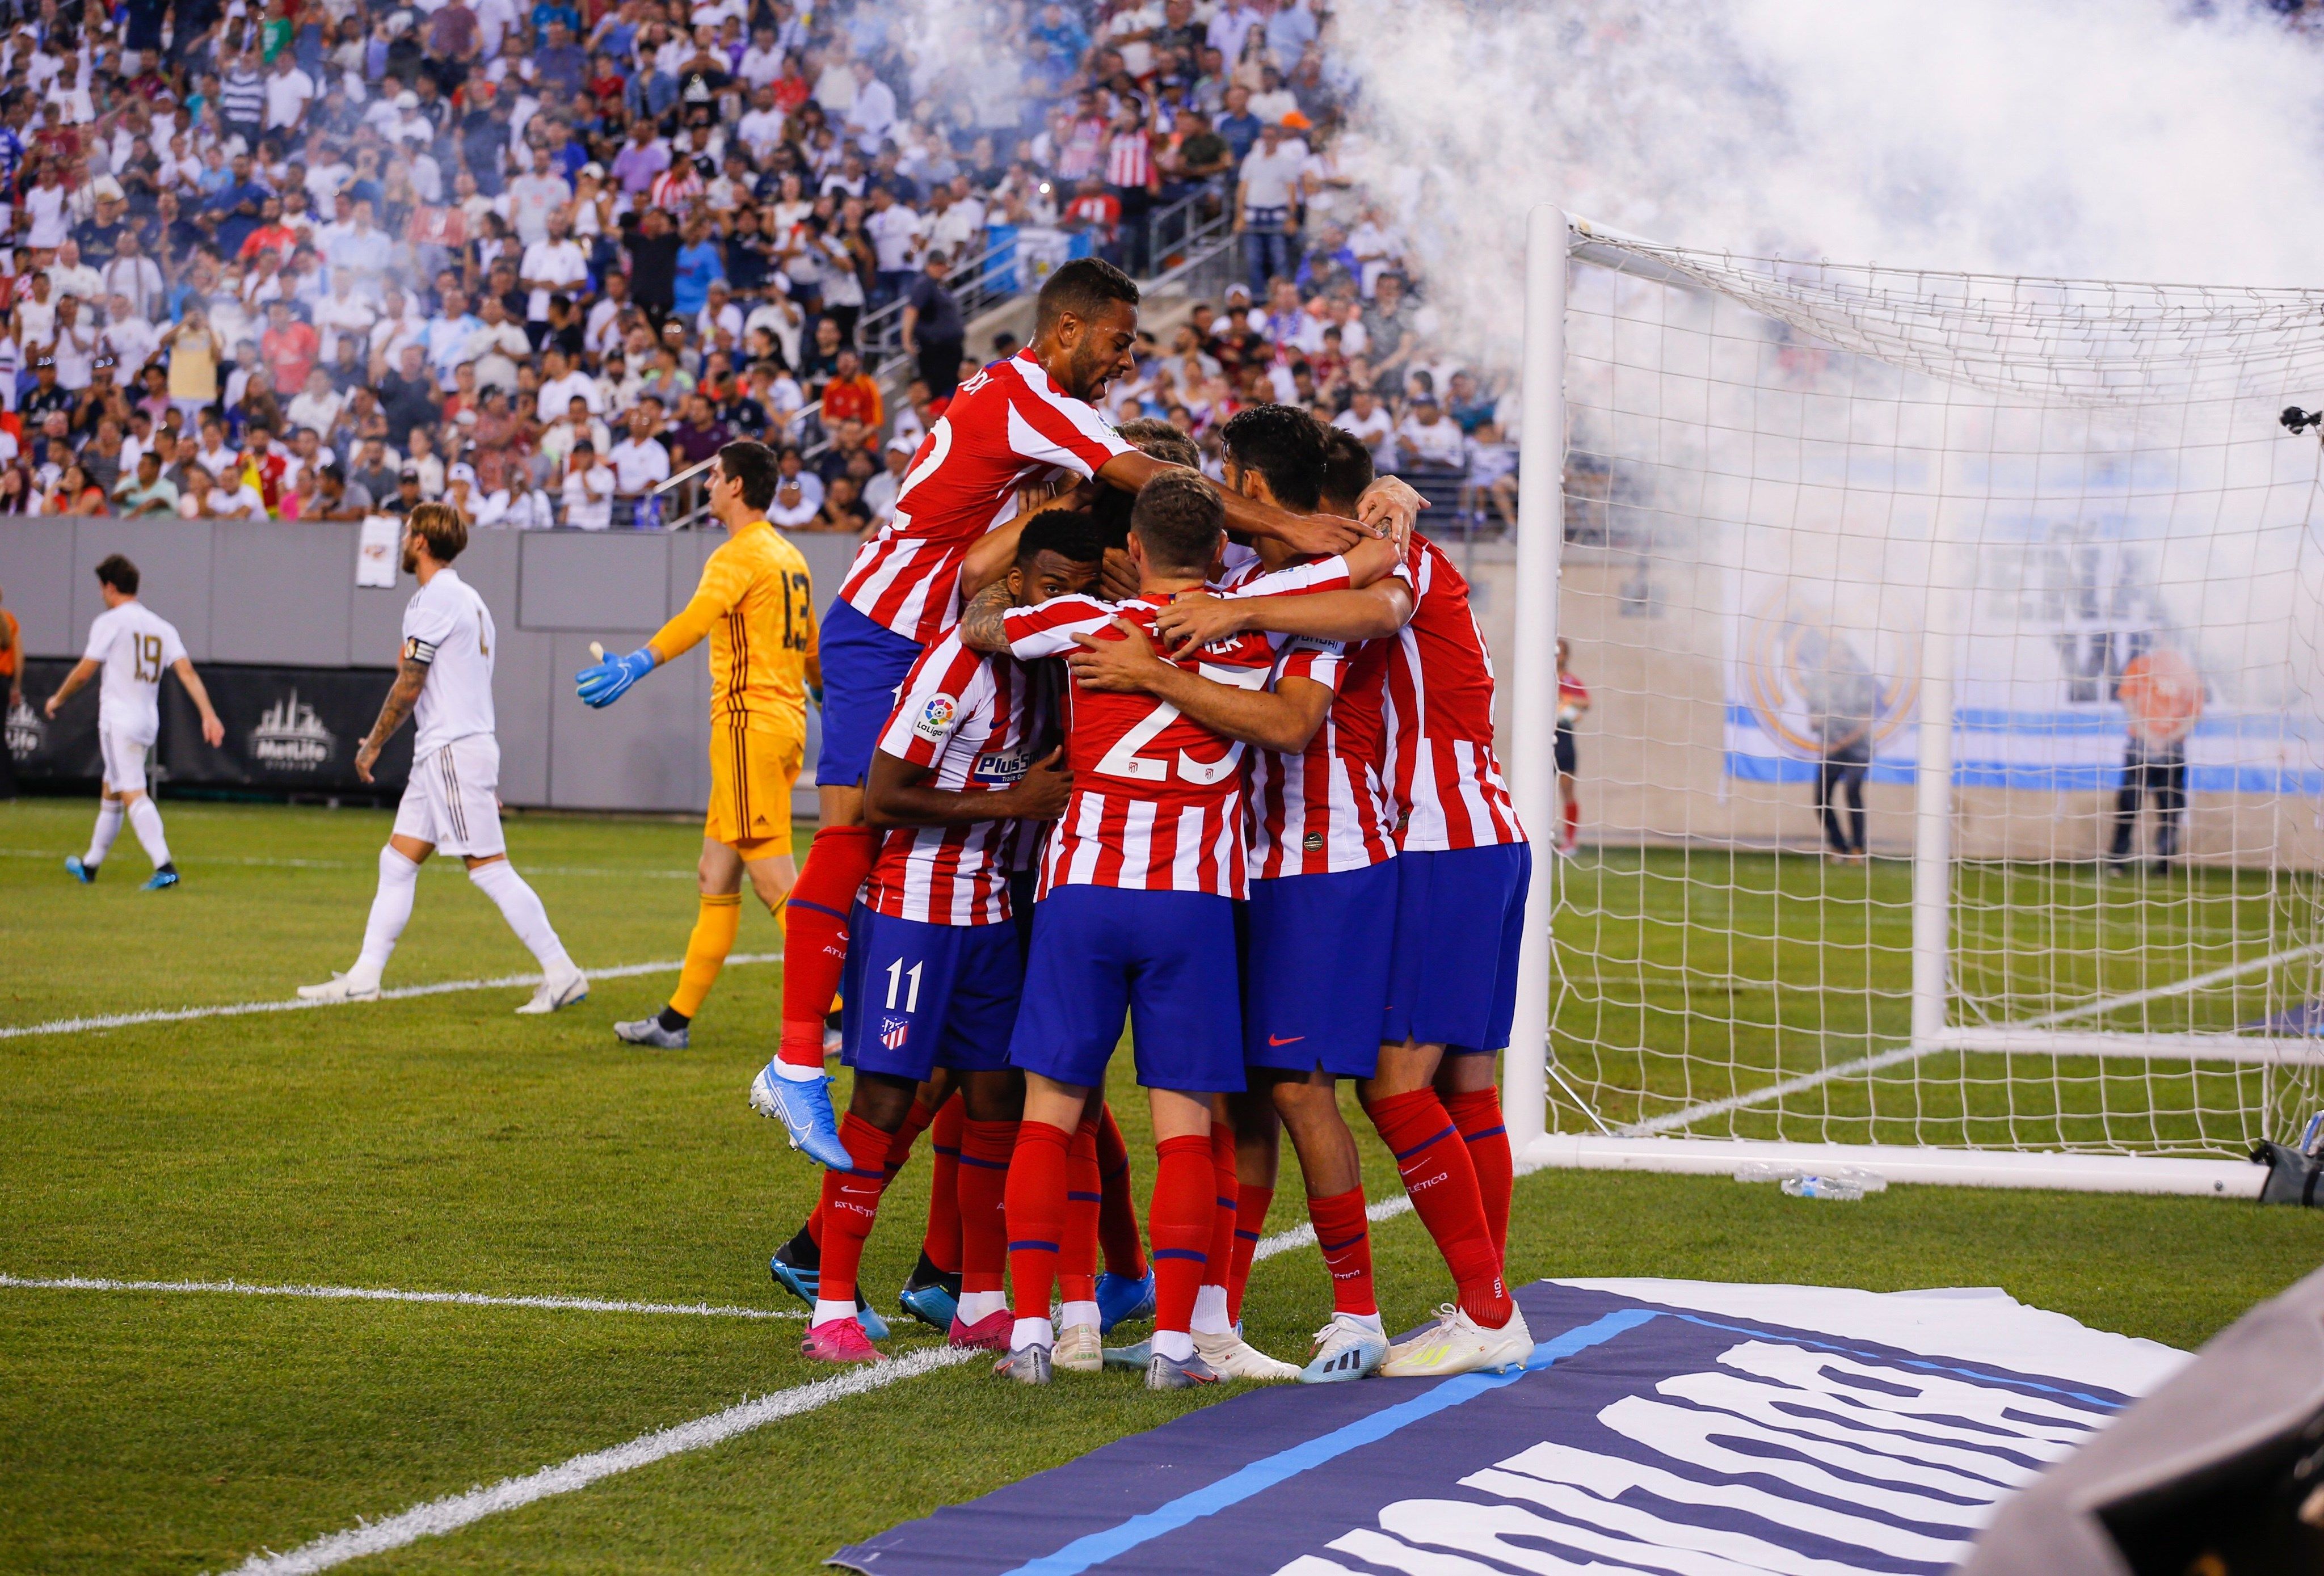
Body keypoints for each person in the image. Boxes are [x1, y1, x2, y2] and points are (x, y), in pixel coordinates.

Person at [764, 257, 1376, 1167]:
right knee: (853, 828)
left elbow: (1014, 538)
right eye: (1121, 342)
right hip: (892, 624)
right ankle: (795, 1060)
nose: (1127, 360)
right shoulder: (1035, 403)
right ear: (1067, 330)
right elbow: (1143, 486)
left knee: (1006, 1077)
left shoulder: (1034, 438)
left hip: (917, 633)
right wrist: (1293, 528)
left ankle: (961, 1268)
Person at [1154, 425, 1534, 1377]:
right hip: (1475, 834)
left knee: (1395, 1085)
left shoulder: (1387, 571)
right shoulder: (1384, 553)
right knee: (1463, 1086)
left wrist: (1230, 612)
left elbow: (1378, 607)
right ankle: (1484, 1298)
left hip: (1437, 841)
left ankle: (1486, 1312)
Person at [1060, 406, 1410, 1384]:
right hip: (1239, 865)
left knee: (1300, 1088)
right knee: (1241, 1099)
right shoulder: (1258, 582)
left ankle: (1357, 1310)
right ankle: (1208, 1317)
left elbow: (1304, 710)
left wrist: (1200, 640)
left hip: (1321, 861)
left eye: (1222, 474)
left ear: (1250, 488)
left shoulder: (1317, 589)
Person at [783, 514, 1098, 1366]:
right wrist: (1012, 802)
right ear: (1021, 586)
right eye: (1053, 584)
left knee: (995, 1101)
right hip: (914, 921)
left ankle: (981, 1302)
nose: (1065, 601)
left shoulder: (1059, 672)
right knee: (884, 1107)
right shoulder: (956, 666)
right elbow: (882, 795)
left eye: (1083, 585)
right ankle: (835, 1309)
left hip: (992, 920)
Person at [574, 441, 822, 1061]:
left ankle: (840, 1013)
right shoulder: (789, 557)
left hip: (747, 726)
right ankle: (675, 1020)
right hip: (780, 725)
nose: (708, 483)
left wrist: (638, 663)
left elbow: (695, 618)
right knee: (716, 876)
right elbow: (810, 644)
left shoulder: (738, 554)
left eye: (714, 475)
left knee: (775, 884)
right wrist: (824, 701)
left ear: (736, 486)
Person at [297, 505, 588, 1012]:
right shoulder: (468, 600)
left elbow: (410, 685)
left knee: (489, 868)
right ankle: (365, 975)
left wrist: (372, 744)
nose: (405, 540)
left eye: (410, 532)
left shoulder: (436, 600)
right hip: (449, 750)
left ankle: (562, 972)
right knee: (397, 861)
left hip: (451, 749)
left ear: (423, 543)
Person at [47, 554, 227, 890]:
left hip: (119, 720)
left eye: (102, 587)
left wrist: (58, 698)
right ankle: (90, 865)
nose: (101, 594)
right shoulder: (161, 626)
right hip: (146, 719)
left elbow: (85, 672)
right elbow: (186, 672)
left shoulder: (111, 622)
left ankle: (165, 867)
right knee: (112, 790)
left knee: (132, 792)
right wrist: (208, 713)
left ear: (110, 586)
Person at [2109, 644, 2203, 876]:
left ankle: (2164, 864)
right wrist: (2149, 736)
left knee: (2170, 810)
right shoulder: (2140, 666)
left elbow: (2194, 715)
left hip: (2173, 751)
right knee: (2128, 806)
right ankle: (2117, 862)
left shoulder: (2187, 672)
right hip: (2139, 748)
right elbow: (2129, 703)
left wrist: (2169, 739)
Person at [1810, 639, 1877, 863]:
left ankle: (1858, 848)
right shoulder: (1818, 683)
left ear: (1849, 658)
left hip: (1858, 750)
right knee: (1820, 799)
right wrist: (1817, 722)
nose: (1836, 658)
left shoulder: (1861, 682)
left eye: (1841, 654)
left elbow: (1865, 722)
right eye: (1832, 653)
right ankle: (1839, 846)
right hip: (1831, 750)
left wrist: (1841, 743)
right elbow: (1813, 719)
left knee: (1852, 791)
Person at [1555, 637, 1588, 856]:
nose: (1559, 656)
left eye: (1562, 652)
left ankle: (1570, 841)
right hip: (1541, 739)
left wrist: (1566, 700)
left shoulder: (1570, 681)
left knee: (1567, 790)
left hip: (1564, 738)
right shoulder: (1539, 677)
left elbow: (1586, 703)